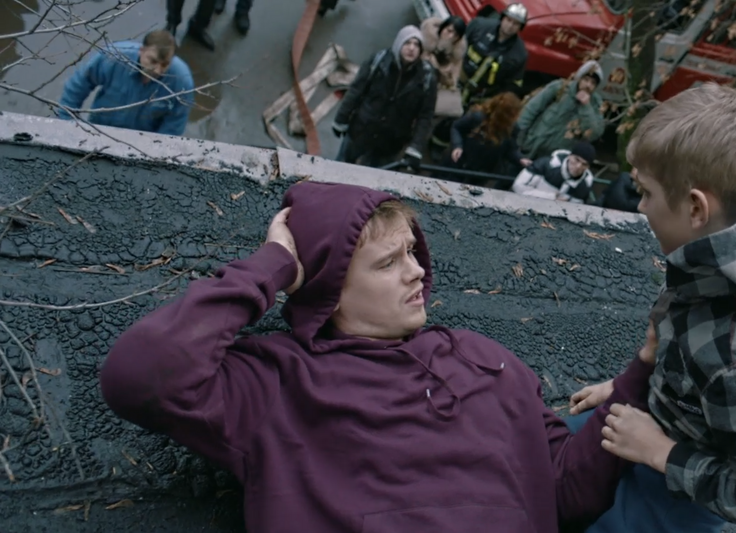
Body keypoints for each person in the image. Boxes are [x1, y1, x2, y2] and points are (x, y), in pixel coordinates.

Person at [100, 180, 659, 533]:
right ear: (329, 288)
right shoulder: (275, 380)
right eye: (389, 263)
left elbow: (567, 492)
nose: (417, 271)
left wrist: (642, 369)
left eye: (412, 251)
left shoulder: (487, 358)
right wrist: (272, 265)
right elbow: (139, 376)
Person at [566, 83, 736, 532]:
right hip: (653, 426)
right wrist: (627, 388)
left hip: (674, 497)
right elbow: (684, 357)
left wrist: (660, 452)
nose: (640, 206)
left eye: (646, 192)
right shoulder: (717, 257)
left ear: (696, 208)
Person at [332, 26, 438, 172]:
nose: (412, 48)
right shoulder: (379, 61)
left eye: (416, 44)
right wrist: (341, 118)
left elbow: (425, 116)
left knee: (372, 178)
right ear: (399, 43)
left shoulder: (427, 77)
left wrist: (415, 147)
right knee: (339, 167)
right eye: (407, 43)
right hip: (361, 130)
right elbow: (357, 90)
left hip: (390, 142)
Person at [56, 29, 194, 137]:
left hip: (141, 144)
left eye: (164, 64)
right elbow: (76, 88)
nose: (157, 70)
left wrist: (154, 152)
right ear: (141, 50)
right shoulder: (113, 57)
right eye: (152, 61)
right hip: (99, 131)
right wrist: (68, 126)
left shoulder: (182, 82)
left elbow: (174, 125)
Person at [516, 60, 606, 160]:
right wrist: (517, 140)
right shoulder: (560, 88)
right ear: (579, 78)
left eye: (593, 83)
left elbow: (594, 133)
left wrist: (586, 106)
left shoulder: (595, 104)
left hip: (557, 158)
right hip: (532, 146)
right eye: (586, 80)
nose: (588, 85)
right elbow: (530, 110)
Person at [448, 92, 531, 183]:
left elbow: (510, 149)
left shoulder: (512, 128)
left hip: (482, 171)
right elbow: (457, 127)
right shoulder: (478, 117)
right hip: (461, 162)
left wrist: (520, 158)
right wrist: (457, 146)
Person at [461, 3, 529, 106]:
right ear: (502, 18)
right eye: (508, 20)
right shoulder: (479, 26)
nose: (510, 26)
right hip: (458, 79)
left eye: (516, 24)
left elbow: (513, 85)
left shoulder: (520, 54)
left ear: (520, 27)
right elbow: (456, 46)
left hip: (481, 96)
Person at [512, 141, 596, 203]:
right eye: (577, 160)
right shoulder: (546, 164)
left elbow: (577, 209)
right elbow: (518, 187)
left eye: (584, 164)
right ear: (570, 156)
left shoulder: (584, 184)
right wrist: (551, 198)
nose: (578, 166)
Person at [421, 16, 468, 120]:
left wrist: (440, 69)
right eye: (449, 31)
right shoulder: (427, 39)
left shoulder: (456, 54)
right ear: (442, 28)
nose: (451, 36)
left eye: (456, 35)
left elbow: (452, 83)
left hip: (433, 92)